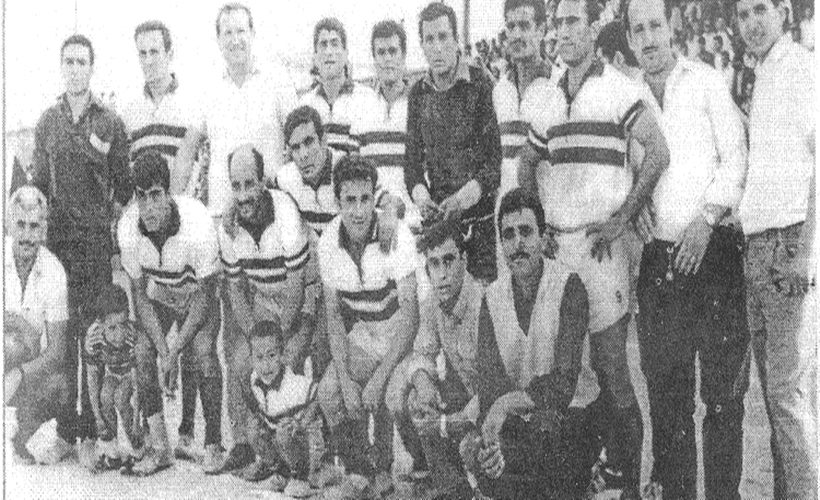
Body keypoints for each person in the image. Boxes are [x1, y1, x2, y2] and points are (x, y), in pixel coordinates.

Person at [518, 0, 671, 495]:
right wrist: (537, 222)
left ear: (591, 28)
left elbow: (658, 153)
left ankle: (630, 484)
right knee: (563, 374)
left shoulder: (619, 88)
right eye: (558, 23)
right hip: (559, 250)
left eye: (573, 22)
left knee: (611, 370)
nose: (564, 31)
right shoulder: (546, 97)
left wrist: (622, 218)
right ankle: (577, 479)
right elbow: (526, 165)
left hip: (602, 250)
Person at [625, 0, 750, 497]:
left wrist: (706, 219)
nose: (649, 38)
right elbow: (621, 171)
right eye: (638, 30)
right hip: (659, 263)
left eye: (656, 25)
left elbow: (735, 159)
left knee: (723, 400)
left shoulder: (706, 81)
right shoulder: (625, 94)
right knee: (668, 401)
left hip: (714, 253)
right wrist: (632, 205)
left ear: (671, 28)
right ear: (629, 39)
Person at [31, 33, 133, 466]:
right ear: (62, 67)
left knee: (93, 340)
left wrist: (103, 221)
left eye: (81, 62)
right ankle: (65, 434)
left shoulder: (109, 122)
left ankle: (93, 434)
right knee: (62, 340)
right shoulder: (47, 122)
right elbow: (37, 187)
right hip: (58, 248)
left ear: (92, 68)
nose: (75, 69)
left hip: (93, 248)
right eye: (68, 62)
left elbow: (123, 186)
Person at [459, 188, 593, 499]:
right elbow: (490, 381)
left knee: (546, 434)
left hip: (568, 417)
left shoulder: (569, 286)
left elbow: (563, 385)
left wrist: (505, 405)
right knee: (478, 450)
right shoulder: (492, 297)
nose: (517, 243)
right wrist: (494, 443)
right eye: (508, 235)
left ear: (543, 238)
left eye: (526, 232)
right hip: (519, 420)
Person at [736, 0, 817, 496]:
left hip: (788, 245)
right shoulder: (764, 71)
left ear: (783, 11)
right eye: (743, 13)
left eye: (761, 9)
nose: (752, 22)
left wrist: (806, 251)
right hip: (759, 247)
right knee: (776, 397)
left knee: (788, 396)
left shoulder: (801, 67)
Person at [120, 19, 207, 463]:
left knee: (193, 341)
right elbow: (134, 177)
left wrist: (177, 213)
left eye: (156, 51)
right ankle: (160, 441)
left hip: (182, 226)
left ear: (170, 54)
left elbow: (192, 164)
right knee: (151, 336)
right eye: (142, 53)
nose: (149, 60)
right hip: (150, 233)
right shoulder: (130, 111)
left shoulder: (191, 101)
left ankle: (189, 430)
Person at [316, 154, 420, 498]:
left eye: (365, 199)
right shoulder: (328, 242)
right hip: (365, 332)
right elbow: (334, 316)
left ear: (374, 197)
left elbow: (411, 318)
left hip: (400, 333)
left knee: (391, 397)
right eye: (350, 200)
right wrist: (347, 380)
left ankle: (401, 465)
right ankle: (360, 469)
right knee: (330, 392)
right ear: (337, 202)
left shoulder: (397, 233)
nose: (359, 211)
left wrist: (378, 378)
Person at [117, 151, 223, 475]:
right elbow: (140, 296)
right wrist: (163, 351)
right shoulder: (128, 228)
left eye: (155, 195)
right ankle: (160, 446)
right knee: (142, 350)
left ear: (168, 193)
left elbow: (205, 296)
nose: (148, 206)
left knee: (203, 352)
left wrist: (175, 350)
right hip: (161, 293)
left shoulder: (197, 222)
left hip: (196, 295)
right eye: (141, 197)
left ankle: (213, 444)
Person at [217, 144, 318, 478]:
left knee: (285, 363)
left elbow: (297, 285)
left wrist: (274, 343)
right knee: (242, 363)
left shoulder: (284, 210)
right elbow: (235, 290)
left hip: (300, 296)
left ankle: (303, 460)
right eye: (236, 186)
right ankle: (258, 450)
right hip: (264, 298)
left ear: (263, 181)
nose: (243, 194)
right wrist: (254, 341)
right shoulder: (228, 226)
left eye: (250, 184)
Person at [384, 220, 484, 498]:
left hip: (490, 404)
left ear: (464, 260)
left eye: (449, 261)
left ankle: (478, 488)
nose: (442, 274)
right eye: (434, 264)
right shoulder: (433, 302)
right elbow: (422, 352)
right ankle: (446, 485)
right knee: (416, 400)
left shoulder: (483, 304)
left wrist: (447, 423)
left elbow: (495, 385)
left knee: (471, 447)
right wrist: (423, 381)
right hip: (464, 396)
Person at [406, 2, 502, 284]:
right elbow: (411, 166)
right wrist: (423, 200)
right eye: (429, 39)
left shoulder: (480, 83)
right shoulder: (418, 94)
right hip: (440, 231)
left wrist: (461, 200)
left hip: (481, 227)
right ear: (422, 45)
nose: (437, 47)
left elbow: (493, 163)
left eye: (443, 37)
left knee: (482, 304)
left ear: (456, 39)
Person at [4, 186, 70, 464]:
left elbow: (57, 351)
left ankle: (20, 433)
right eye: (20, 225)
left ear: (44, 230)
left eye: (34, 226)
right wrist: (18, 322)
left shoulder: (54, 271)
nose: (27, 235)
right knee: (12, 344)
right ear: (8, 225)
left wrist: (19, 373)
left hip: (26, 369)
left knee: (60, 387)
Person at [493, 0, 560, 266]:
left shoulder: (559, 85)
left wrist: (546, 224)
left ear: (541, 29)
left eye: (524, 25)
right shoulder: (500, 90)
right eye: (511, 27)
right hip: (508, 230)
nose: (517, 34)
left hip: (549, 231)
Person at [238, 321, 323, 499]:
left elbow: (318, 395)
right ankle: (282, 472)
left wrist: (301, 423)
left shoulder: (291, 383)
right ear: (251, 359)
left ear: (282, 355)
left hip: (307, 444)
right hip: (282, 441)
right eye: (259, 358)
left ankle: (302, 477)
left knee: (284, 431)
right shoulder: (255, 380)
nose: (266, 365)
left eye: (271, 355)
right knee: (253, 431)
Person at [358, 20, 420, 226]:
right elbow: (358, 172)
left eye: (393, 51)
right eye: (381, 52)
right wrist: (384, 201)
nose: (387, 59)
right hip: (374, 224)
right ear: (374, 59)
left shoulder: (420, 105)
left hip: (415, 222)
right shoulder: (363, 108)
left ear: (403, 55)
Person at [83, 285, 143, 473]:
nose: (119, 335)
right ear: (101, 325)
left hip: (130, 373)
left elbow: (137, 382)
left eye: (123, 325)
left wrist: (135, 423)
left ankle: (138, 448)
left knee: (121, 398)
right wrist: (98, 417)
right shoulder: (94, 338)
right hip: (113, 372)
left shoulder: (132, 336)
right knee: (105, 396)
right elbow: (92, 379)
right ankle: (112, 451)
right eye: (112, 328)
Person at [299, 17, 380, 154]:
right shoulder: (305, 105)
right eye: (323, 45)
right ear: (315, 56)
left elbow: (372, 153)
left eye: (335, 44)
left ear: (345, 54)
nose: (329, 51)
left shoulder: (367, 99)